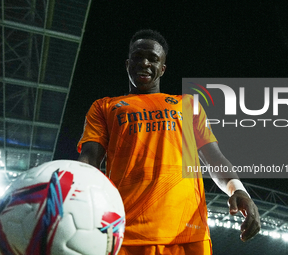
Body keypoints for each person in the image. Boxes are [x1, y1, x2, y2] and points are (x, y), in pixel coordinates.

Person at [77, 29, 260, 255]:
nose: (144, 63)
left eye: (153, 59)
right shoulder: (104, 107)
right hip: (125, 234)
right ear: (127, 64)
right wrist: (74, 197)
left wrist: (237, 189)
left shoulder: (188, 104)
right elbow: (89, 160)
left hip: (186, 234)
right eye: (137, 57)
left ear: (162, 68)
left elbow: (213, 158)